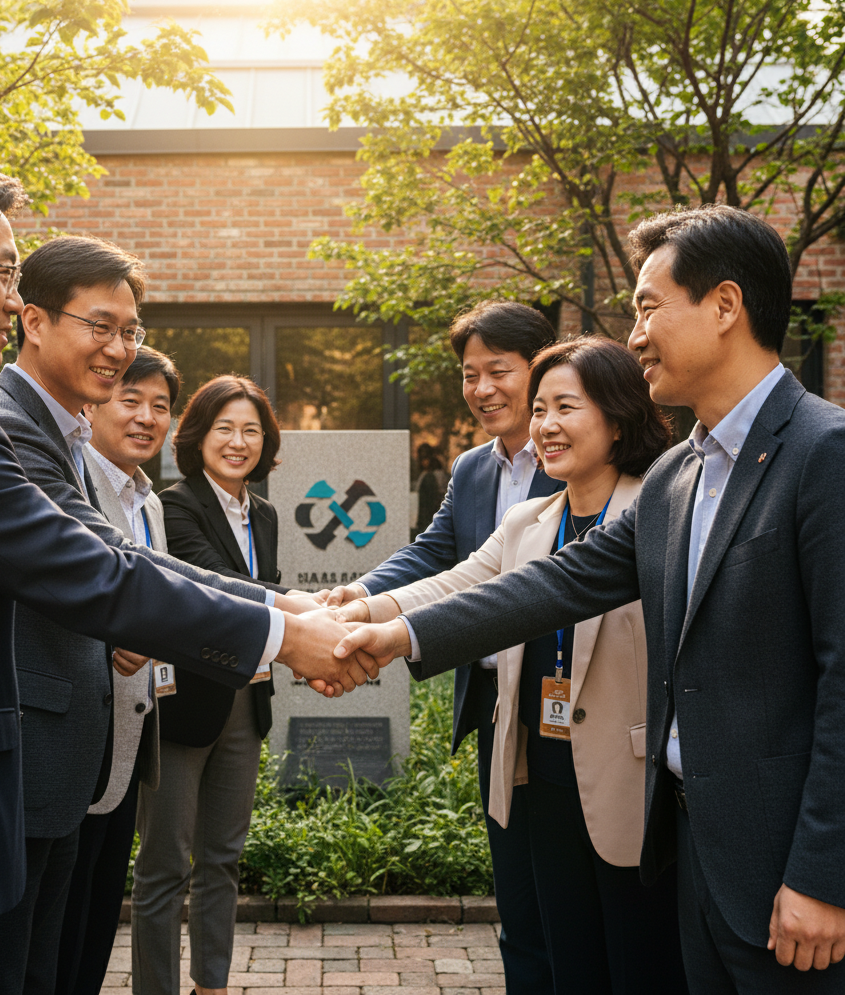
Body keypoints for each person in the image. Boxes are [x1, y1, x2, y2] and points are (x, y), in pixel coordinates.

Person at [0, 151, 370, 995]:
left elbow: (116, 560)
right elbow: (97, 574)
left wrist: (283, 610)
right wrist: (287, 635)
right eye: (2, 270)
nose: (13, 295)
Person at [337, 206, 845, 993]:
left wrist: (823, 874)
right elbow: (554, 583)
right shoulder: (682, 473)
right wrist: (396, 635)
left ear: (725, 306)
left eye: (647, 308)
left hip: (787, 879)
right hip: (687, 858)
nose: (635, 335)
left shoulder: (824, 453)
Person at [0, 235, 305, 995]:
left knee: (63, 965)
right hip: (36, 761)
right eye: (101, 326)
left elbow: (142, 571)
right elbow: (118, 576)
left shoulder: (80, 446)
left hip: (99, 754)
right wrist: (287, 627)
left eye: (132, 331)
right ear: (34, 320)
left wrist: (284, 605)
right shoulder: (7, 430)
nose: (120, 348)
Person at [341, 337, 685, 994]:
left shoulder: (661, 510)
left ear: (617, 417)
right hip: (537, 779)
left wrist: (383, 635)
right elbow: (457, 586)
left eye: (565, 407)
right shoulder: (530, 520)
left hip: (628, 784)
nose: (545, 426)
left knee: (641, 966)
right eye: (539, 410)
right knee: (566, 960)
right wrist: (354, 614)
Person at [326, 300, 560, 992]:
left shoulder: (583, 465)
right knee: (515, 886)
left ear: (539, 370)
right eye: (468, 375)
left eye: (498, 372)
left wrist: (387, 628)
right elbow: (439, 555)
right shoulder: (474, 468)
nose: (482, 389)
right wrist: (355, 596)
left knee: (567, 891)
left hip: (560, 695)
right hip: (494, 700)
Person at [130, 375, 283, 995]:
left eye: (251, 430)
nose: (238, 442)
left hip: (246, 702)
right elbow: (215, 585)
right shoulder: (176, 506)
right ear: (197, 436)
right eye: (225, 427)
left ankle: (211, 985)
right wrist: (312, 611)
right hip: (183, 706)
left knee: (223, 856)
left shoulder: (265, 514)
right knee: (165, 865)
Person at [53, 345, 181, 995]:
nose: (146, 417)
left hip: (129, 740)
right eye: (132, 399)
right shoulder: (70, 484)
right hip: (72, 739)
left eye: (161, 406)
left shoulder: (150, 502)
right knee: (60, 933)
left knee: (99, 922)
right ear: (96, 400)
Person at [414, 442, 448, 536]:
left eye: (425, 458)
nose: (423, 462)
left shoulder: (434, 475)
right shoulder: (425, 474)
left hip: (431, 516)